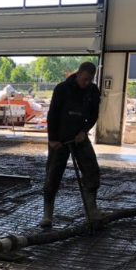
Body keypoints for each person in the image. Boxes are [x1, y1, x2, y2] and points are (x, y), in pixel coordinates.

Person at [41, 61, 102, 228]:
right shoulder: (62, 89)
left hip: (79, 138)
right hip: (59, 139)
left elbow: (94, 115)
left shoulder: (92, 91)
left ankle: (91, 210)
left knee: (92, 170)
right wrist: (53, 139)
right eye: (84, 79)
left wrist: (84, 131)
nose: (86, 83)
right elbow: (53, 114)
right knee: (53, 174)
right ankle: (47, 213)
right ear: (78, 74)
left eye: (90, 80)